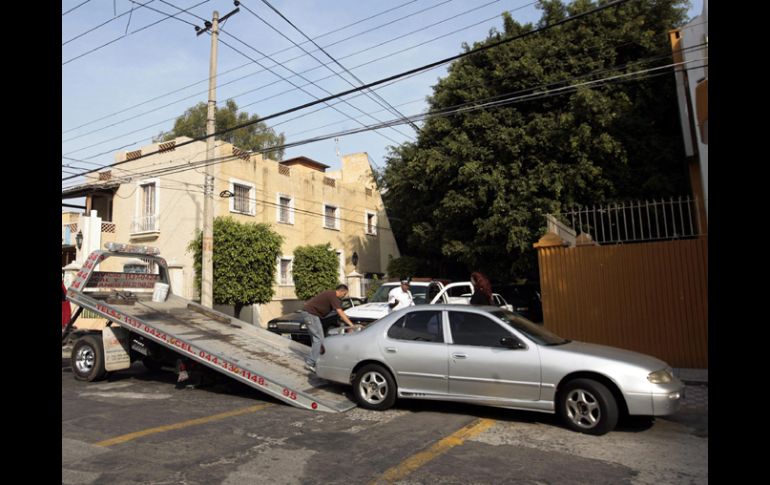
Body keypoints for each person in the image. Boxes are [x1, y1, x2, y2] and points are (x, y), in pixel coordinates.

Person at [299, 284, 356, 372]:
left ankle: (314, 360)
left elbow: (339, 314)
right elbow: (340, 312)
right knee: (319, 339)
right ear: (342, 291)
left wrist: (348, 320)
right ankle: (310, 363)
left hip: (309, 314)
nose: (344, 296)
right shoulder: (334, 297)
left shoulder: (330, 294)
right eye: (344, 294)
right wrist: (352, 325)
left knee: (316, 339)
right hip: (311, 315)